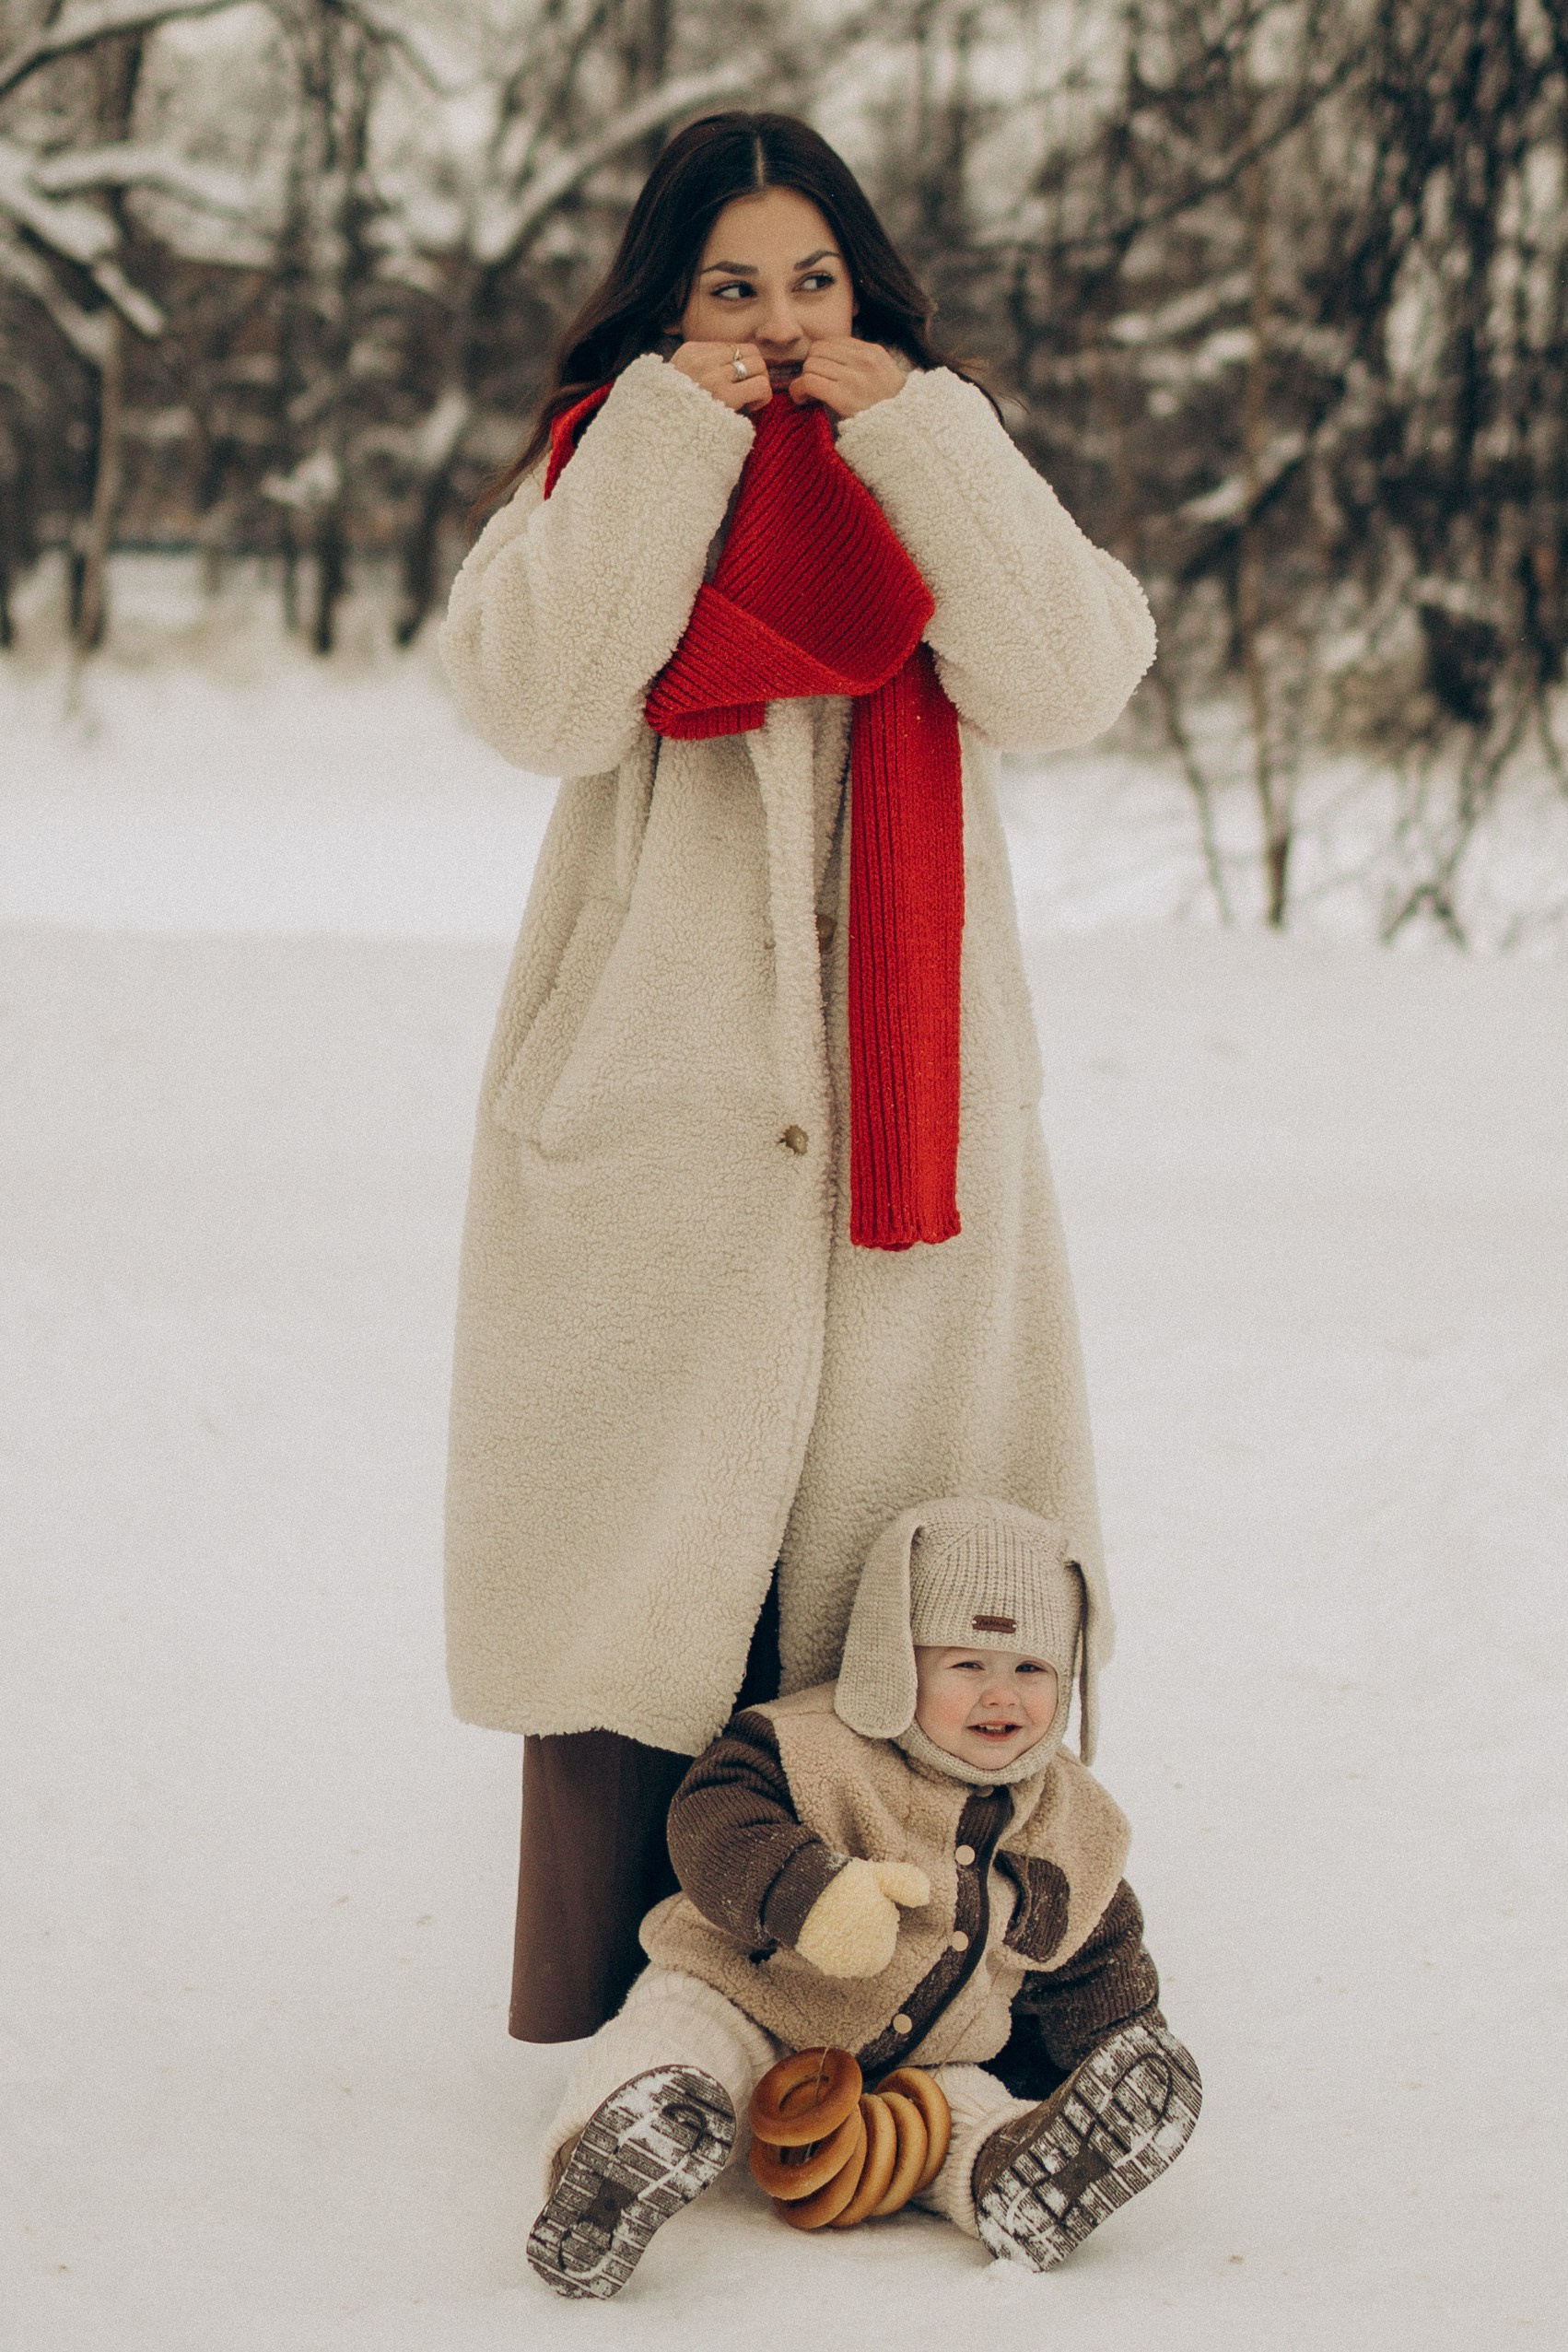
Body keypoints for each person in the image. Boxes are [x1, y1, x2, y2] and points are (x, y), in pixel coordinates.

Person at [439, 111, 1157, 2047]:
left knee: (897, 1549)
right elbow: (540, 699)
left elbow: (1069, 675)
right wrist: (662, 441)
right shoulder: (603, 469)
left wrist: (924, 432)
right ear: (664, 304)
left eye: (813, 281)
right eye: (731, 287)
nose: (777, 326)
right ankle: (640, 2014)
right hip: (656, 1117)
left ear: (868, 291)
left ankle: (935, 1983)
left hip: (911, 1139)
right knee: (647, 1564)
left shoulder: (936, 459)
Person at [524, 1498, 1201, 2299]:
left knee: (961, 2116)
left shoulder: (1071, 1820)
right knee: (678, 2034)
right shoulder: (813, 1744)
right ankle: (618, 2151)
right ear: (898, 1662)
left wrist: (1122, 2052)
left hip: (920, 2067)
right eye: (967, 1665)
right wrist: (809, 1892)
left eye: (1032, 1668)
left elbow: (1095, 1950)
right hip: (750, 1995)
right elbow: (715, 1817)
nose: (1002, 1695)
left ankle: (1019, 2175)